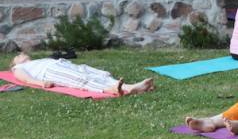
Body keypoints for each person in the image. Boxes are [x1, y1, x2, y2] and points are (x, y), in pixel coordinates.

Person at [10, 53, 153, 95]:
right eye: (17, 56)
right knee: (79, 79)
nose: (21, 54)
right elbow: (26, 79)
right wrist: (41, 83)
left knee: (98, 73)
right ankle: (108, 89)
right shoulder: (18, 68)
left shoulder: (39, 60)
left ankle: (129, 87)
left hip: (61, 64)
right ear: (15, 63)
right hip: (50, 72)